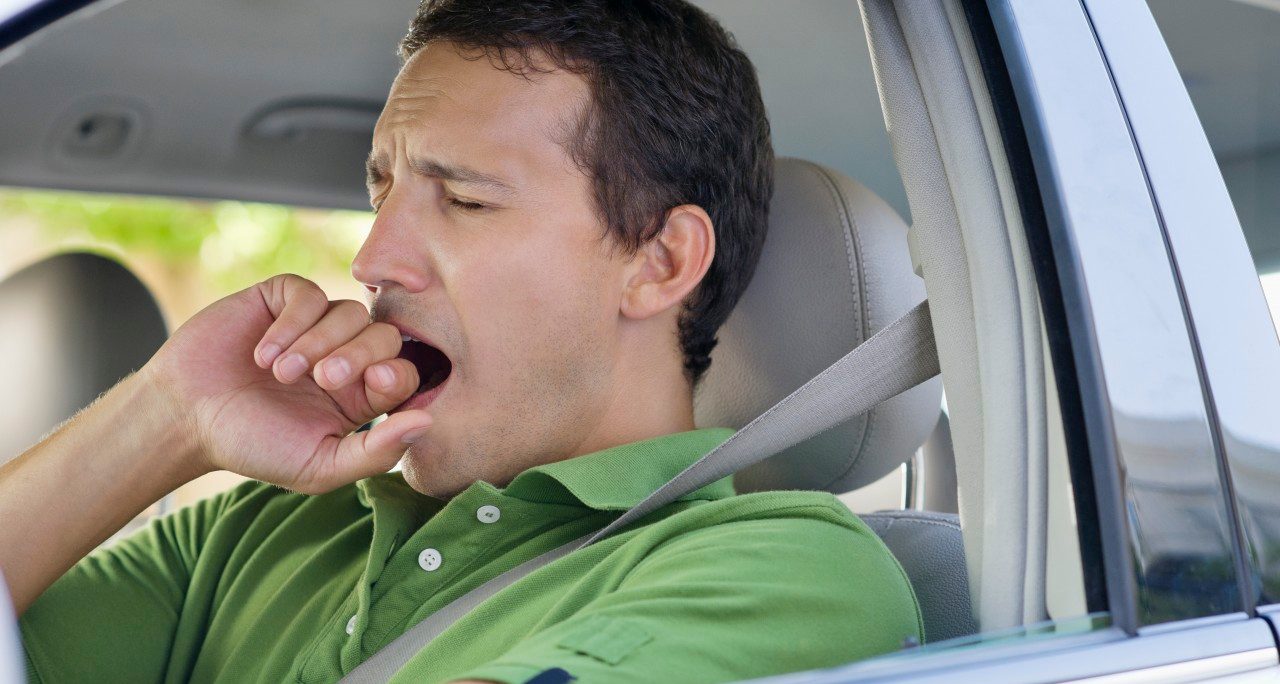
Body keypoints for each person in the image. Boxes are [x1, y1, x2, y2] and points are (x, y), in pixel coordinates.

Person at [0, 1, 922, 682]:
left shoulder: (794, 573)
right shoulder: (254, 533)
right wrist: (170, 414)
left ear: (658, 261)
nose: (373, 258)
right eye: (380, 193)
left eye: (467, 201)